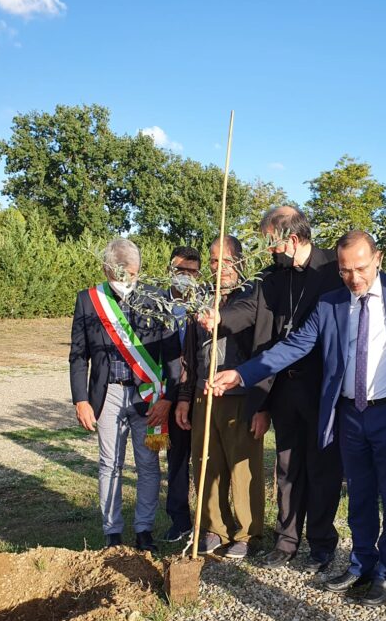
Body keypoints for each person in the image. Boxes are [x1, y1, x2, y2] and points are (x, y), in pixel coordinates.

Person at [211, 231, 386, 606]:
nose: (354, 278)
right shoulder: (330, 304)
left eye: (360, 268)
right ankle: (360, 563)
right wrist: (243, 373)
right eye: (345, 271)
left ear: (379, 258)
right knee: (358, 494)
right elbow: (292, 346)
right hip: (350, 414)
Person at [202, 206, 343, 573]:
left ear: (292, 240)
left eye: (271, 244)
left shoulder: (333, 270)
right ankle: (286, 540)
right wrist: (221, 318)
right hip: (283, 388)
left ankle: (323, 543)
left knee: (322, 468)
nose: (268, 251)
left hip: (322, 387)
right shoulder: (273, 277)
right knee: (287, 467)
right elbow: (247, 307)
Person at [69, 238, 180, 551]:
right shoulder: (90, 300)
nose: (125, 281)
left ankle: (144, 529)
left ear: (139, 270)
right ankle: (112, 533)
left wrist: (169, 397)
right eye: (119, 274)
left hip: (149, 397)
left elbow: (172, 353)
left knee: (147, 465)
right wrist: (81, 399)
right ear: (106, 269)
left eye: (131, 274)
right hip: (108, 394)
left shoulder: (157, 298)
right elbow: (78, 355)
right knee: (109, 464)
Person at [176, 235, 265, 559]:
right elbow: (188, 353)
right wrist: (185, 396)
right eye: (213, 261)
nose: (218, 268)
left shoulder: (252, 295)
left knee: (242, 469)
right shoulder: (199, 297)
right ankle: (214, 527)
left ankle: (246, 532)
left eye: (224, 261)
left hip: (240, 395)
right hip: (203, 395)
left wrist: (262, 405)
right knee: (205, 464)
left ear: (238, 262)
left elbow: (262, 351)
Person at [162, 246, 201, 543]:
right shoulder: (155, 306)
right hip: (168, 394)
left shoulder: (205, 307)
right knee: (176, 460)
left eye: (192, 272)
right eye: (181, 272)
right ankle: (179, 519)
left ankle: (207, 522)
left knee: (203, 459)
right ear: (169, 272)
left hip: (200, 393)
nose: (186, 278)